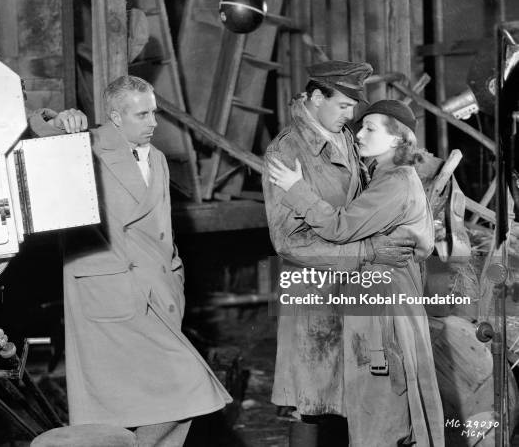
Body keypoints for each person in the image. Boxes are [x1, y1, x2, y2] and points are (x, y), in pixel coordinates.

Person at [29, 75, 231, 446]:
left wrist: (175, 276)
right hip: (108, 298)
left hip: (158, 295)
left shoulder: (157, 158)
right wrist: (60, 122)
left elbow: (162, 229)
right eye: (142, 115)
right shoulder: (85, 146)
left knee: (174, 397)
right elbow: (35, 137)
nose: (153, 122)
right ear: (116, 117)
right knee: (179, 388)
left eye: (153, 112)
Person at [267, 99, 445, 446]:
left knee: (379, 418)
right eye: (360, 126)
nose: (358, 133)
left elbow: (339, 227)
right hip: (382, 303)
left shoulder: (395, 183)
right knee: (380, 413)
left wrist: (296, 189)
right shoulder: (384, 176)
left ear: (397, 140)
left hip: (385, 311)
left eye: (370, 128)